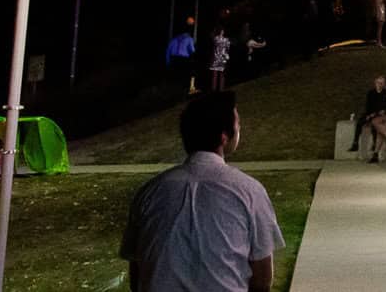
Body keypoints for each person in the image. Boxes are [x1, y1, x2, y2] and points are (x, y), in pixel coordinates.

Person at [122, 90, 285, 292]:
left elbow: (137, 272)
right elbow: (262, 280)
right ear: (224, 137)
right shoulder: (250, 191)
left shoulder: (149, 192)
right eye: (238, 124)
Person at [208, 23, 234, 92]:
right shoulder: (225, 39)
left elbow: (211, 35)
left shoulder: (216, 39)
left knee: (216, 75)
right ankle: (219, 89)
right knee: (220, 75)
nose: (223, 31)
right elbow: (228, 48)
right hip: (221, 59)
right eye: (222, 30)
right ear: (222, 31)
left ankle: (215, 90)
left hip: (217, 59)